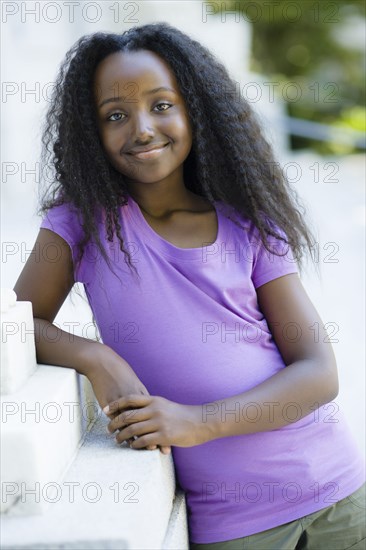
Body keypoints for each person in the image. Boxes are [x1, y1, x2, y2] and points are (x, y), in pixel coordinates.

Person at [14, 23, 365, 549]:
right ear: (91, 132)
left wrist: (196, 423)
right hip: (235, 523)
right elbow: (17, 324)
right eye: (115, 115)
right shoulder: (81, 224)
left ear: (195, 111)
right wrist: (98, 359)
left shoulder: (250, 223)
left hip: (337, 490)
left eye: (162, 105)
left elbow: (318, 373)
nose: (142, 128)